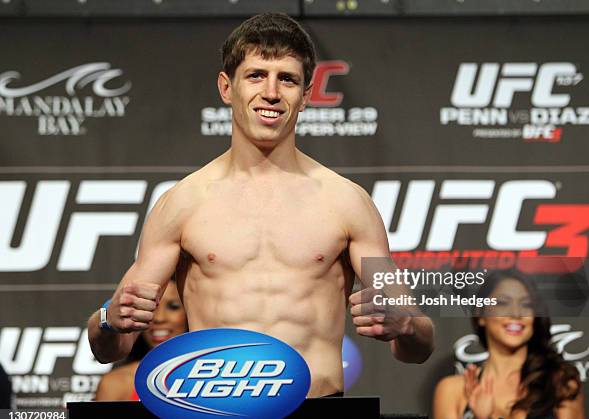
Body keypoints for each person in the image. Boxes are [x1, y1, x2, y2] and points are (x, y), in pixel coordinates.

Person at [88, 12, 433, 397]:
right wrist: (107, 319)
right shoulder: (183, 203)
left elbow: (418, 344)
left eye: (287, 79)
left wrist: (406, 326)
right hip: (217, 412)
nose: (271, 92)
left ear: (305, 95)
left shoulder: (346, 202)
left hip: (319, 411)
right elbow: (110, 347)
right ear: (226, 87)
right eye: (255, 75)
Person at [432, 270, 584, 419]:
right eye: (503, 303)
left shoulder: (561, 383)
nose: (516, 313)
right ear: (481, 315)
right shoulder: (452, 390)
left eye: (526, 304)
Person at [95, 280, 187, 401]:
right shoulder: (116, 384)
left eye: (173, 307)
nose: (159, 318)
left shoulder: (215, 381)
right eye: (150, 307)